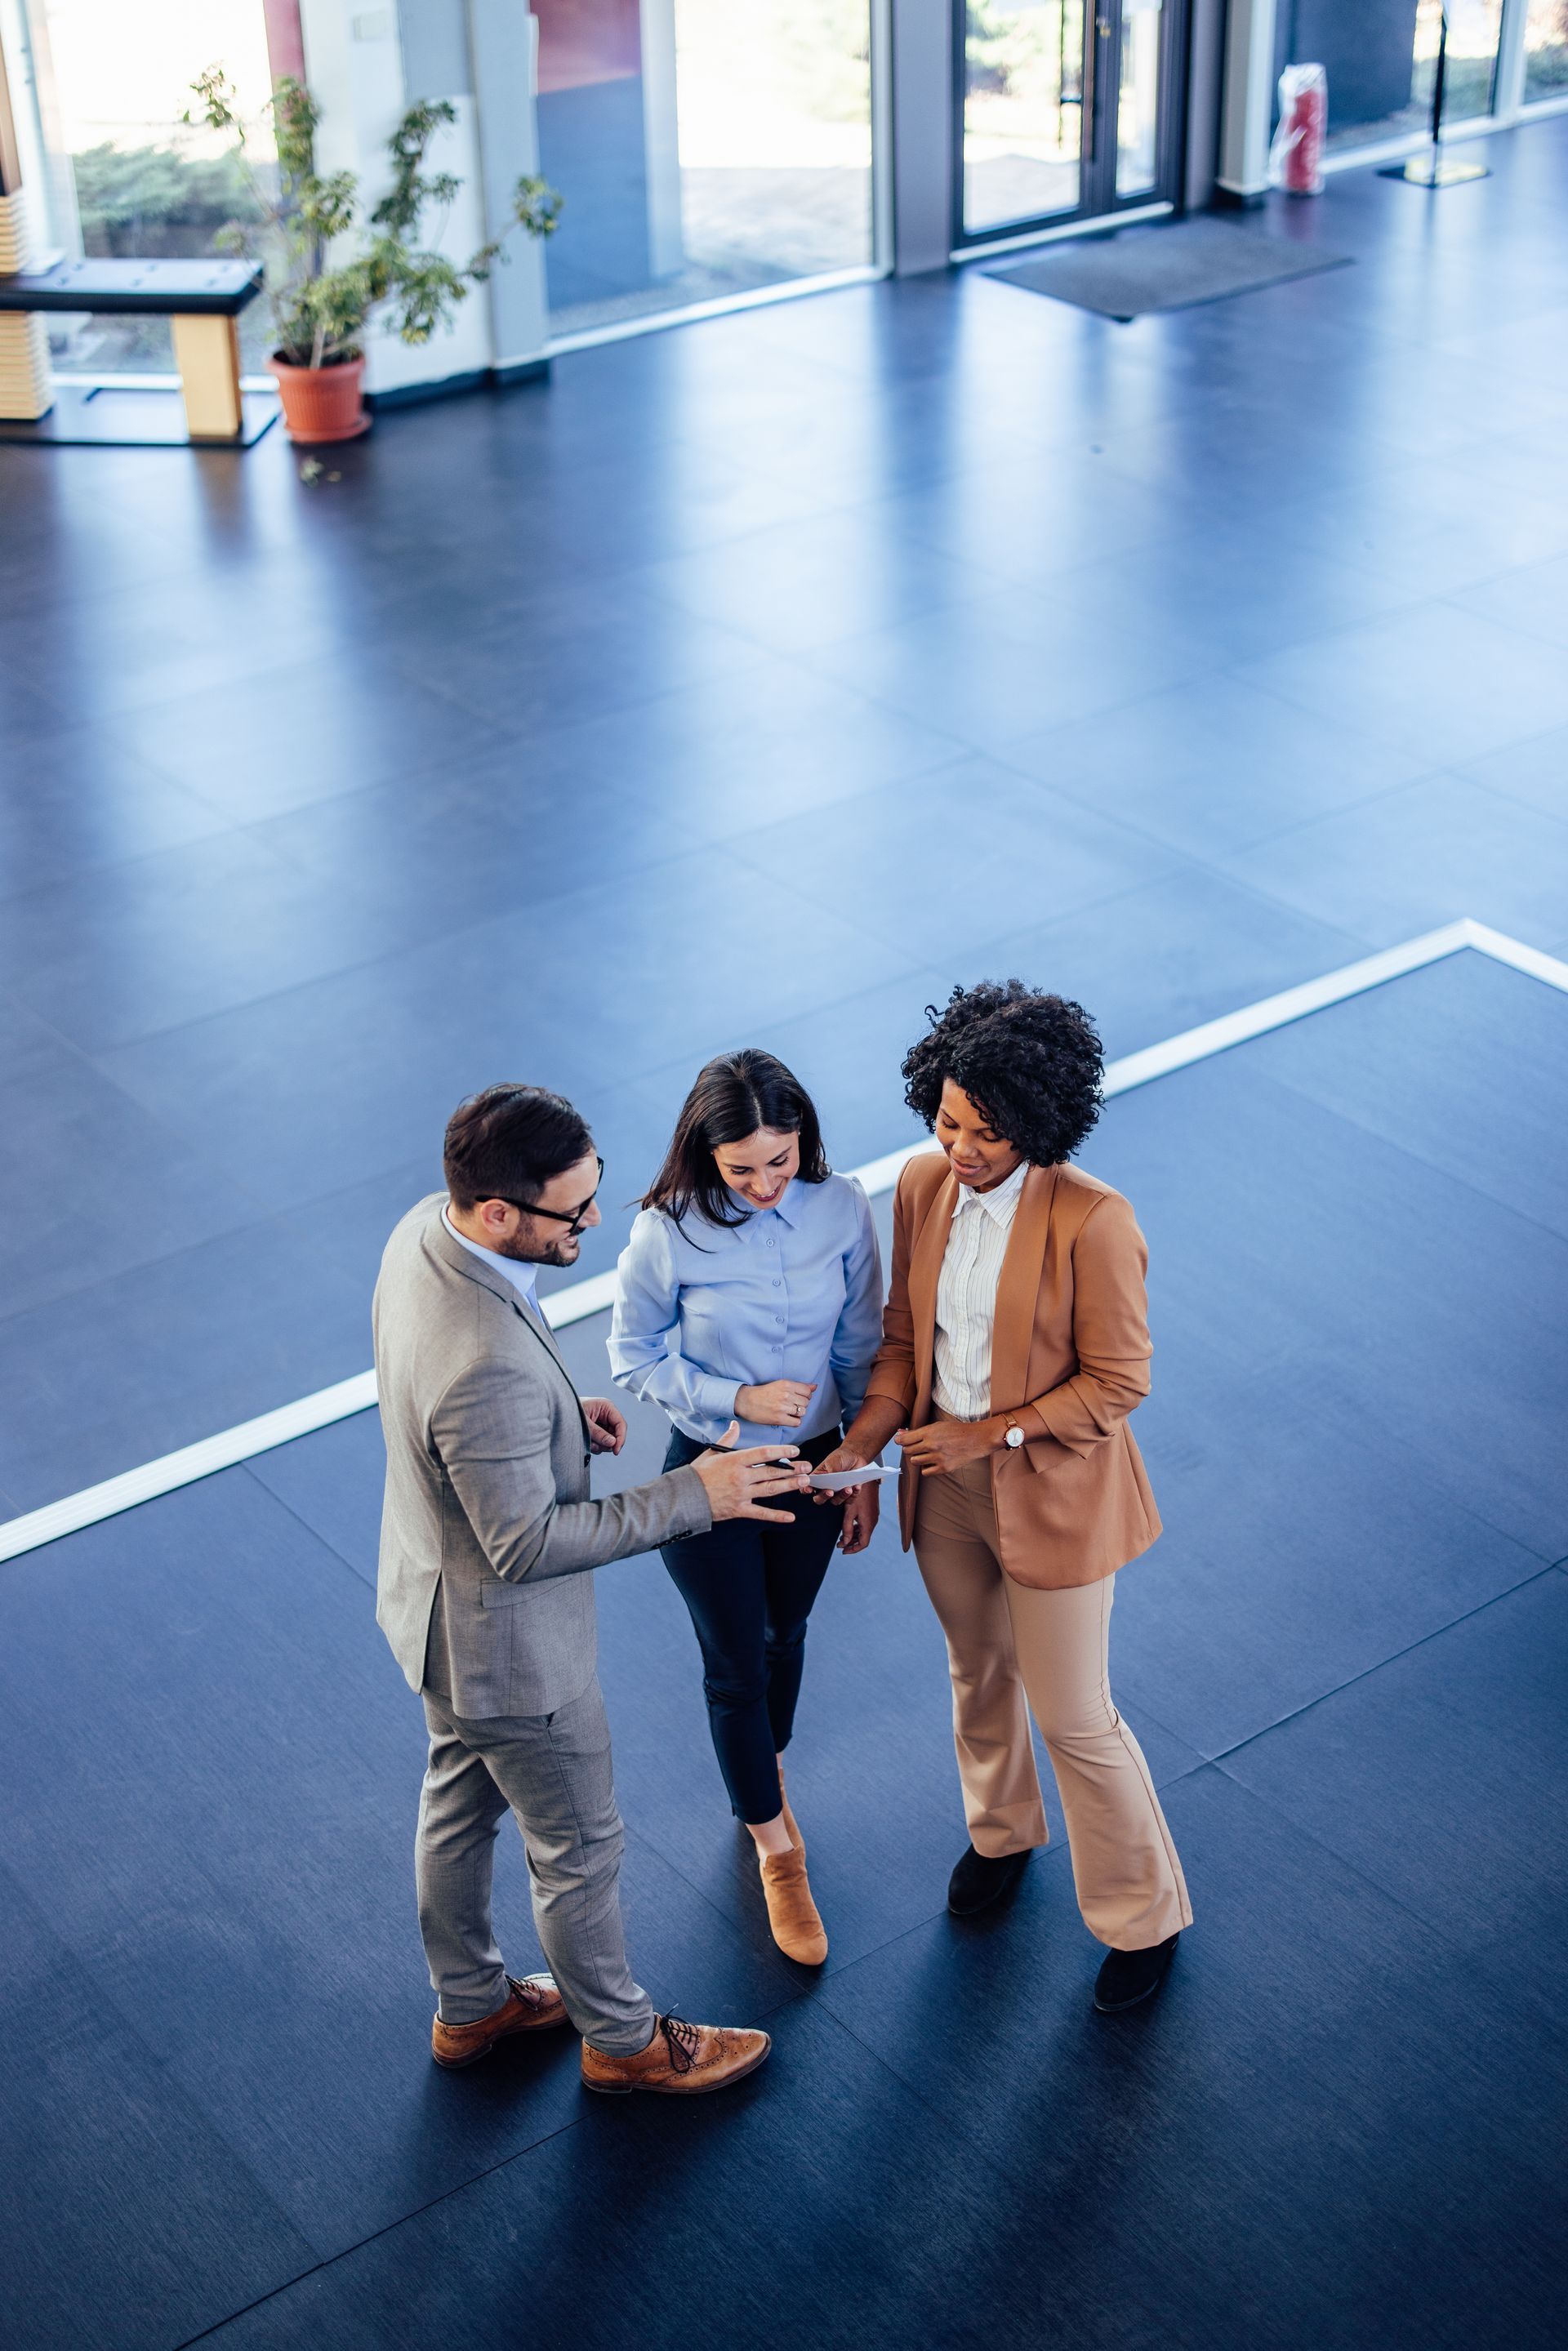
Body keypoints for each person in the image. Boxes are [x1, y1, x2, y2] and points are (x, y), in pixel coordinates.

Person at [373, 1082, 812, 2095]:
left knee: (455, 1807)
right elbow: (523, 1544)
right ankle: (625, 2043)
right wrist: (691, 1492)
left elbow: (447, 1397)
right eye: (572, 1212)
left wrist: (560, 1416)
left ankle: (472, 2007)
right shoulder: (483, 1364)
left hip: (433, 1619)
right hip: (515, 1655)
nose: (592, 1223)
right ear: (498, 1211)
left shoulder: (422, 1235)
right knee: (578, 1845)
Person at [820, 985, 1192, 2015]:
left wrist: (996, 1429)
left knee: (1076, 1716)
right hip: (943, 1487)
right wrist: (860, 1451)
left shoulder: (1095, 1219)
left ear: (1039, 1121)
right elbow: (902, 1340)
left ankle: (1143, 1915)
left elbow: (1119, 1382)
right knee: (977, 1668)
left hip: (1052, 1492)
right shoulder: (921, 1185)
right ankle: (1001, 1831)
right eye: (947, 1120)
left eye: (989, 1131)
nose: (964, 1146)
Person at [608, 1051, 883, 1966]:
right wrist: (733, 1397)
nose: (766, 1184)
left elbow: (858, 1338)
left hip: (813, 1465)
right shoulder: (667, 1230)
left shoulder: (840, 1204)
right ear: (705, 1153)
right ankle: (775, 1843)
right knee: (734, 1666)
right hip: (714, 1471)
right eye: (742, 1169)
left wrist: (857, 1465)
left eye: (782, 1158)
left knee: (786, 1634)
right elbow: (633, 1353)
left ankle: (766, 1776)